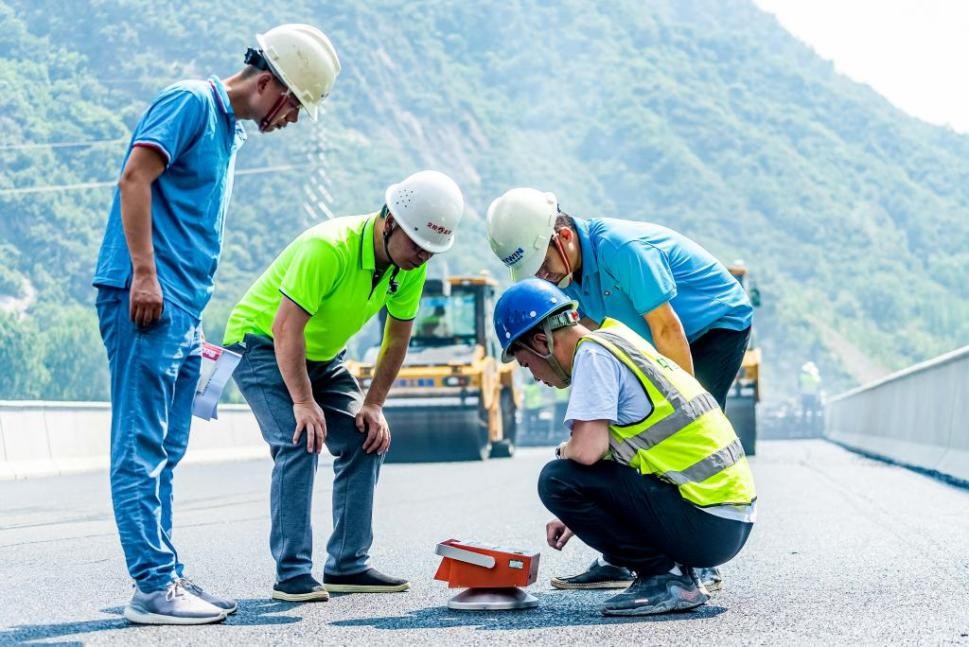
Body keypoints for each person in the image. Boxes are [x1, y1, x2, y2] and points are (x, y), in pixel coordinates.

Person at [92, 24, 340, 625]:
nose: (291, 122)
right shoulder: (190, 102)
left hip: (180, 308)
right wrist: (144, 276)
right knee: (142, 445)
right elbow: (134, 178)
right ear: (266, 83)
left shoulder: (227, 131)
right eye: (294, 107)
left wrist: (189, 315)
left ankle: (166, 572)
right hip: (147, 297)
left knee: (169, 449)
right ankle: (151, 585)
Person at [487, 187, 753, 590]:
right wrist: (594, 503)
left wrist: (677, 400)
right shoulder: (566, 286)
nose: (543, 278)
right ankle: (624, 555)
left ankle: (693, 563)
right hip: (655, 340)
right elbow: (602, 379)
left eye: (542, 266)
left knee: (683, 435)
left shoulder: (621, 249)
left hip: (709, 327)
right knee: (629, 432)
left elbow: (666, 328)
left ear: (563, 238)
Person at [222, 170, 464, 602]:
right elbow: (285, 329)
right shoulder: (328, 247)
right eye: (417, 245)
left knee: (366, 438)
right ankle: (292, 573)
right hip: (259, 344)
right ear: (390, 221)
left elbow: (397, 338)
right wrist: (302, 401)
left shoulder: (409, 266)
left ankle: (347, 564)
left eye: (432, 250)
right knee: (300, 439)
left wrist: (373, 404)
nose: (423, 257)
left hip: (321, 356)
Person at [799, 361, 822, 432]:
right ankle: (813, 430)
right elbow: (819, 388)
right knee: (813, 414)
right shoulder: (816, 377)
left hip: (805, 396)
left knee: (804, 414)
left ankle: (803, 430)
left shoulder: (802, 376)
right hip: (813, 397)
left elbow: (799, 386)